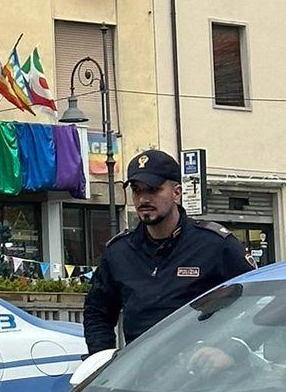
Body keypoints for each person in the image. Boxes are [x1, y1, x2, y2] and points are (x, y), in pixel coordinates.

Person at [84, 149, 255, 355]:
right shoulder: (119, 251)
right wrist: (104, 361)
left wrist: (229, 350)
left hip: (204, 375)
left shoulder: (215, 244)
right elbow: (97, 312)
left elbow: (255, 301)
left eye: (153, 189)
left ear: (177, 193)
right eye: (137, 190)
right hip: (141, 374)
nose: (144, 199)